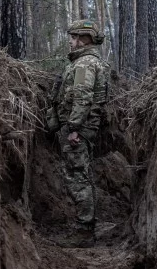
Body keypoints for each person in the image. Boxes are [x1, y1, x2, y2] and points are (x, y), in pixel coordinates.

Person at [45, 19, 110, 248]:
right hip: (81, 128)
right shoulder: (84, 62)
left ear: (84, 39)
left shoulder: (84, 64)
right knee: (80, 175)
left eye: (73, 37)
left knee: (77, 177)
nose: (70, 41)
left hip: (78, 130)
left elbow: (82, 96)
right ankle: (86, 227)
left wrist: (73, 128)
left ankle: (84, 232)